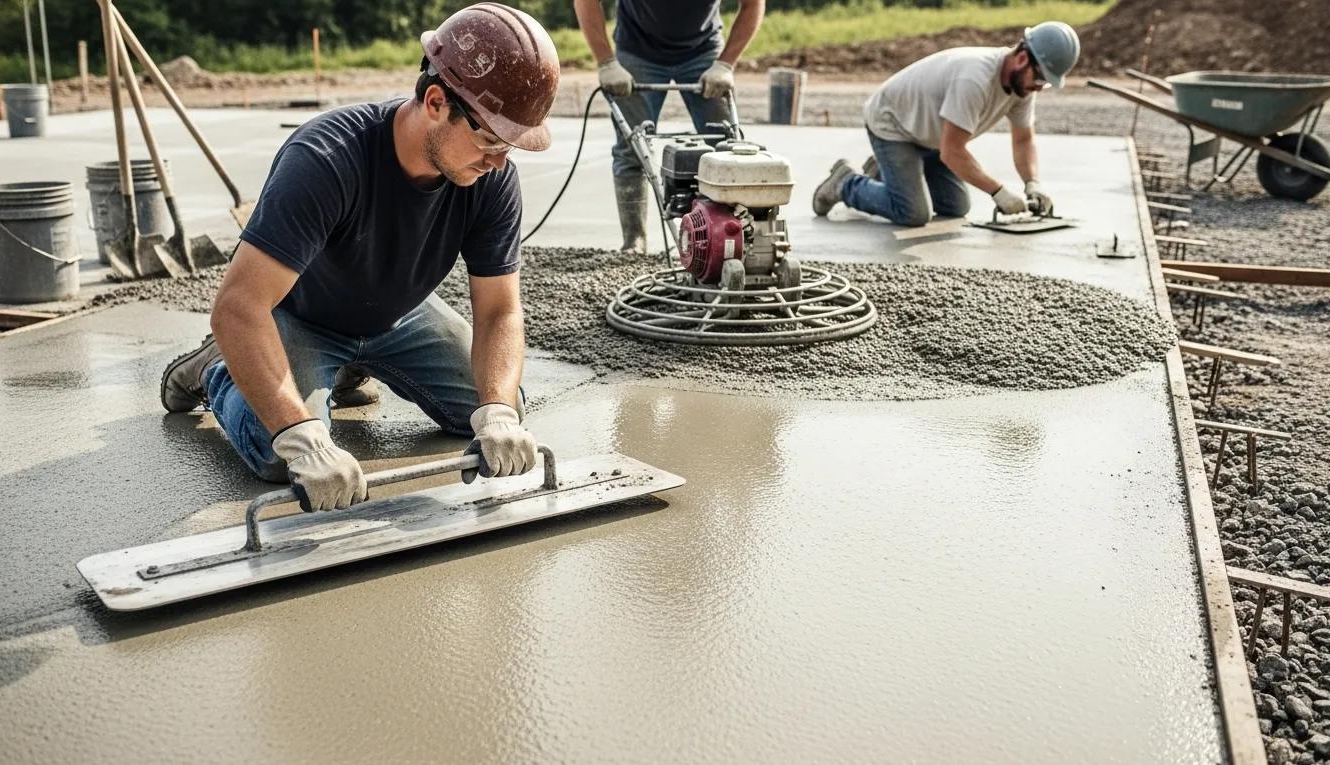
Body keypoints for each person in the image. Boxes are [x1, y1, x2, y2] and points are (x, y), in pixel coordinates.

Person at [158, 3, 560, 512]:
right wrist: (301, 436)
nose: (499, 161)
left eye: (512, 147)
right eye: (490, 140)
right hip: (303, 316)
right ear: (436, 101)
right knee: (277, 455)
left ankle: (346, 368)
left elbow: (500, 310)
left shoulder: (491, 176)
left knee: (496, 409)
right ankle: (219, 366)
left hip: (398, 314)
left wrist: (499, 411)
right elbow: (239, 306)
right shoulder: (326, 160)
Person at [812, 21, 1080, 228]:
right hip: (893, 125)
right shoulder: (975, 79)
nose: (1041, 88)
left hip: (930, 136)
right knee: (914, 213)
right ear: (1022, 59)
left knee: (956, 206)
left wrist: (1032, 183)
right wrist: (998, 191)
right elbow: (952, 152)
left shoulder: (1022, 88)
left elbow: (1023, 139)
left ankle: (884, 171)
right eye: (1042, 79)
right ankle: (845, 182)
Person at [575, 0, 766, 253]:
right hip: (637, 50)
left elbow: (753, 5)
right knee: (631, 147)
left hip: (703, 51)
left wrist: (726, 64)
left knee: (726, 146)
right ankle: (634, 240)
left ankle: (728, 237)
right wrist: (606, 62)